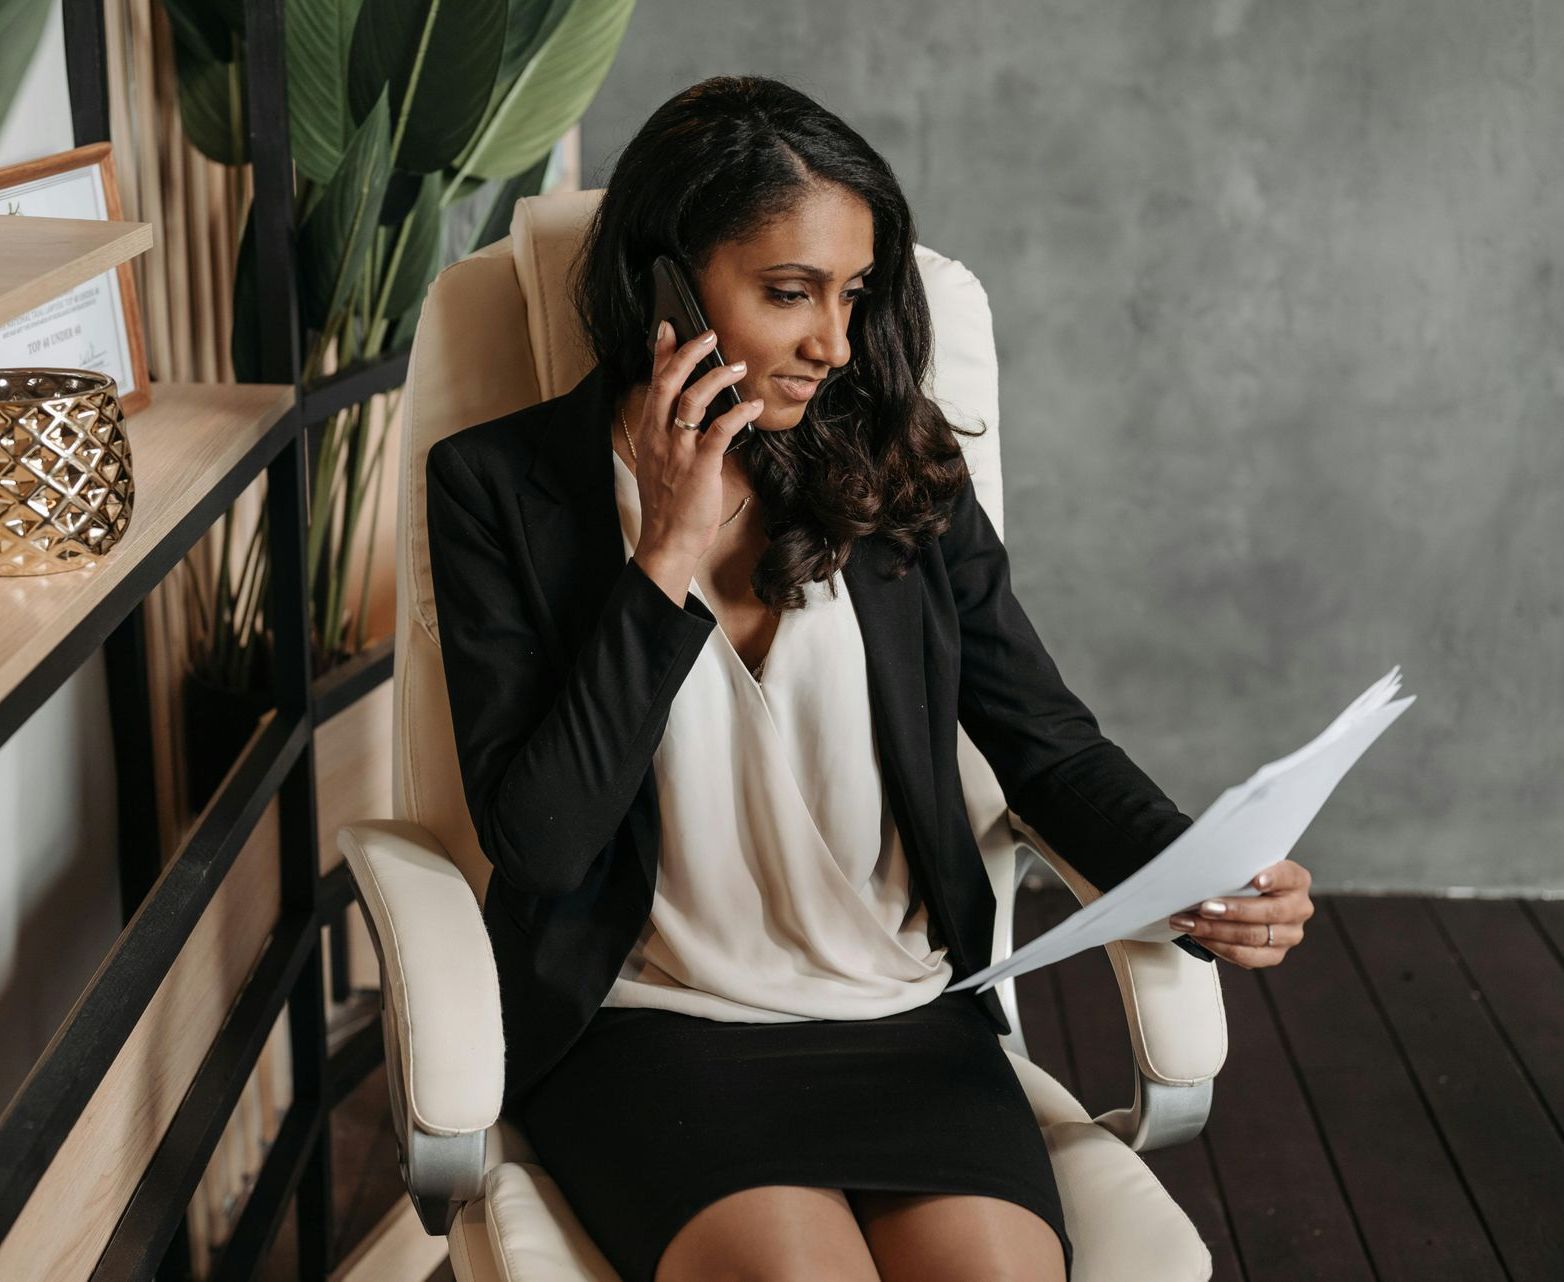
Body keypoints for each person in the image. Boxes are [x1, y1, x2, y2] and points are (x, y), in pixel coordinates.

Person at [424, 73, 1315, 1282]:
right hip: (650, 1026)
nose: (833, 344)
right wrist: (666, 556)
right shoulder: (497, 489)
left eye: (851, 296)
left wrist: (1203, 873)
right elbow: (541, 841)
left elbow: (1044, 742)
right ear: (662, 283)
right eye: (788, 294)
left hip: (902, 1013)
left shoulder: (899, 469)